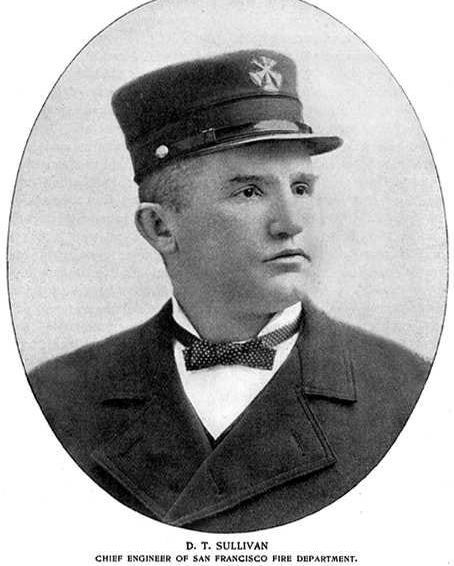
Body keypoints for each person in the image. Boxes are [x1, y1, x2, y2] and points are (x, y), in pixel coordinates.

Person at [30, 50, 429, 533]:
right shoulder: (55, 400)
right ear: (160, 228)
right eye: (249, 192)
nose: (291, 223)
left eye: (301, 188)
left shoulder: (409, 394)